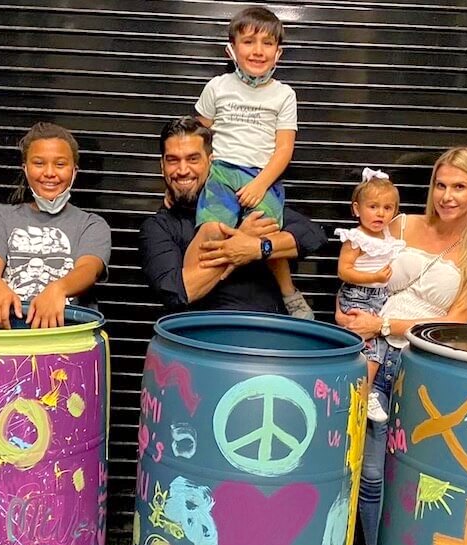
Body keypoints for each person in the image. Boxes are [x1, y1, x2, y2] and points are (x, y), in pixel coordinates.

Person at [337, 146, 467, 545]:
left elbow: (456, 321)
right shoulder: (401, 223)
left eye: (459, 187)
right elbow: (356, 264)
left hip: (419, 364)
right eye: (441, 185)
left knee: (416, 475)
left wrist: (385, 326)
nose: (447, 195)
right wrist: (346, 309)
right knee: (368, 474)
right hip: (369, 354)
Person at [188, 6, 314, 319]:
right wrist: (202, 167)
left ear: (278, 52)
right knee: (211, 231)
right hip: (221, 174)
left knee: (266, 233)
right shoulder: (217, 87)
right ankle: (194, 291)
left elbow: (284, 148)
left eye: (267, 43)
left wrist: (261, 184)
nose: (258, 51)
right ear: (231, 49)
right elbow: (199, 132)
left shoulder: (283, 95)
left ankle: (289, 293)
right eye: (248, 42)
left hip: (262, 175)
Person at [139, 116, 326, 313]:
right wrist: (233, 250)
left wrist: (257, 246)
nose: (183, 170)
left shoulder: (243, 201)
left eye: (193, 159)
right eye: (173, 161)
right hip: (202, 337)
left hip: (267, 334)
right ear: (162, 167)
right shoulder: (159, 227)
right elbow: (176, 292)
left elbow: (312, 235)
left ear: (211, 162)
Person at [0, 122, 111, 329]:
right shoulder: (0, 217)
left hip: (67, 341)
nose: (49, 173)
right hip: (6, 338)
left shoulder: (91, 224)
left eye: (60, 164)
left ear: (74, 171)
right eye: (39, 163)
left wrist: (59, 289)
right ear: (25, 169)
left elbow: (89, 269)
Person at [335, 169, 405, 423]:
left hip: (379, 296)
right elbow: (344, 271)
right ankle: (364, 392)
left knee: (381, 345)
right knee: (371, 347)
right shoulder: (356, 238)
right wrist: (373, 277)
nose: (380, 213)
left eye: (387, 208)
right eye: (373, 206)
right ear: (356, 209)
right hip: (359, 295)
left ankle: (363, 388)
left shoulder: (388, 237)